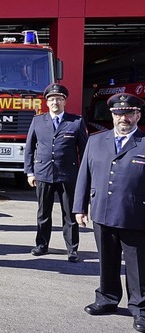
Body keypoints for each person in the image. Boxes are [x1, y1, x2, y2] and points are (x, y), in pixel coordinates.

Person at [73, 93, 145, 332]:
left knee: (138, 266)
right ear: (112, 116)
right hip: (102, 211)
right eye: (118, 114)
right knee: (107, 261)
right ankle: (107, 298)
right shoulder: (96, 141)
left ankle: (140, 308)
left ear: (137, 115)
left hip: (135, 215)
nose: (123, 118)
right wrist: (79, 207)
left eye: (128, 113)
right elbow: (84, 174)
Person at [24, 83, 88, 262]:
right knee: (43, 213)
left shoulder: (76, 122)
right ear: (47, 102)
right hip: (43, 174)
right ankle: (42, 245)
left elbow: (84, 152)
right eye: (52, 99)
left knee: (69, 214)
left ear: (65, 102)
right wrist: (29, 172)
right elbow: (29, 149)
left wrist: (85, 176)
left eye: (59, 99)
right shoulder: (38, 121)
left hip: (67, 175)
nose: (55, 102)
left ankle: (72, 249)